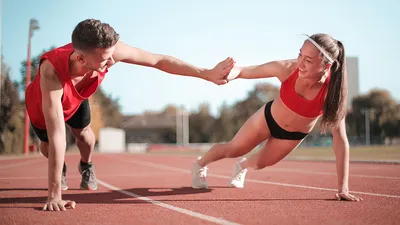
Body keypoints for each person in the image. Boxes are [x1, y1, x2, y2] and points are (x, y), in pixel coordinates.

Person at [25, 18, 235, 211]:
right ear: (80, 58)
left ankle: (86, 166)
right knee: (50, 147)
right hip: (43, 105)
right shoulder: (51, 72)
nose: (111, 62)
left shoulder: (110, 52)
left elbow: (158, 60)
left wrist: (205, 73)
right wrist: (54, 196)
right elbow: (58, 135)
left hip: (77, 98)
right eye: (105, 60)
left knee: (86, 137)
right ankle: (60, 169)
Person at [191, 33, 363, 202]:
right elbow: (244, 70)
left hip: (292, 136)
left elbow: (340, 139)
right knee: (234, 149)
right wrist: (226, 75)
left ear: (326, 66)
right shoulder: (288, 68)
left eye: (308, 60)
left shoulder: (332, 93)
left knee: (260, 163)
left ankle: (241, 167)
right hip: (267, 119)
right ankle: (200, 164)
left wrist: (343, 188)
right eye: (300, 55)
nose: (300, 63)